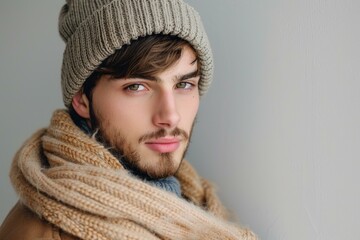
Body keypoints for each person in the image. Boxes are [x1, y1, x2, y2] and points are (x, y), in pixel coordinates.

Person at [0, 0, 257, 239]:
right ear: (82, 99)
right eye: (136, 87)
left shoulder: (196, 204)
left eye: (184, 84)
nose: (170, 116)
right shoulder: (41, 233)